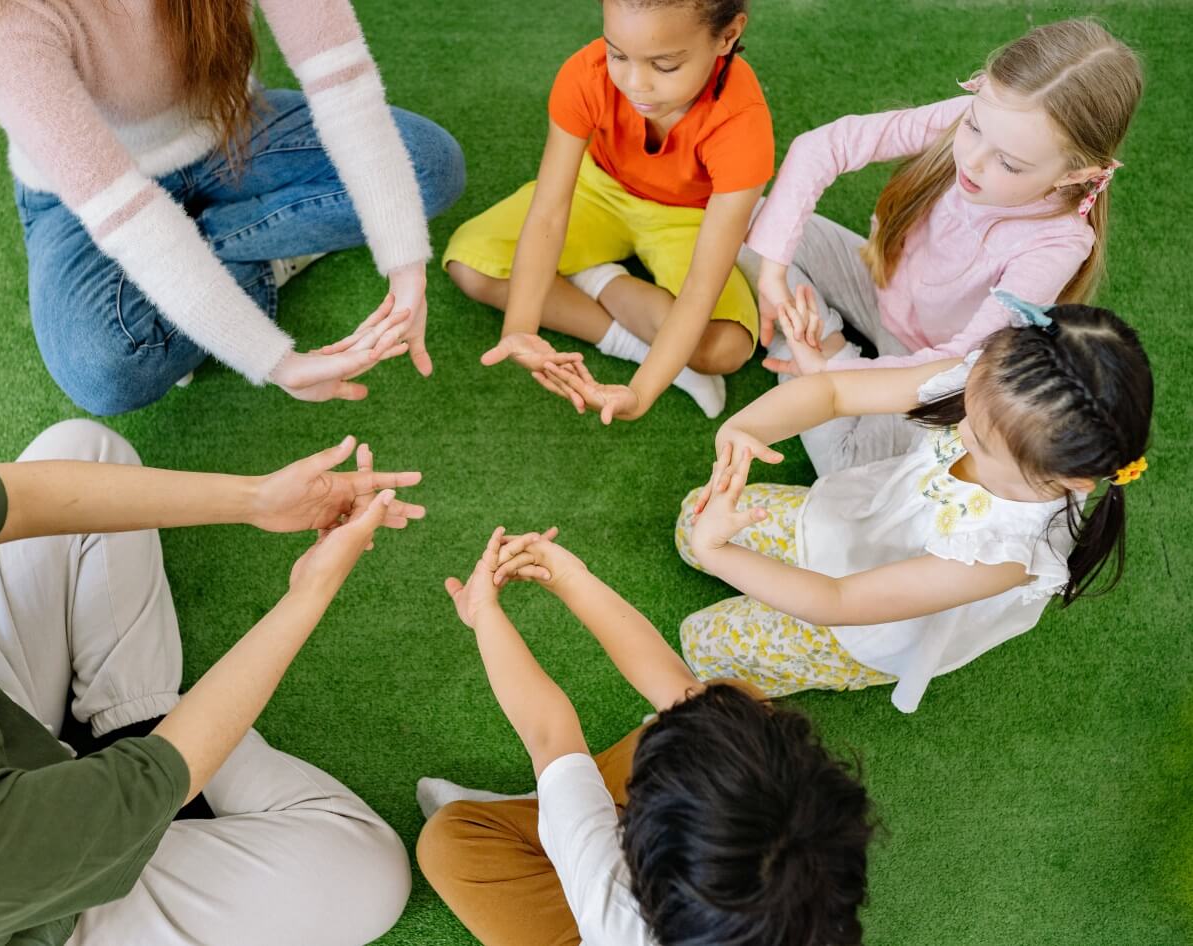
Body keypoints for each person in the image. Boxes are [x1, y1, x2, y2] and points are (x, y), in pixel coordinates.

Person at [0, 418, 425, 945]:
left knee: (83, 448)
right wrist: (306, 594)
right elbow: (154, 775)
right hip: (38, 915)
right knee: (368, 874)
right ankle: (145, 722)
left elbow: (20, 497)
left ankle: (129, 712)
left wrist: (257, 498)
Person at [0, 0, 466, 415]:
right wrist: (275, 362)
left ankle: (201, 282)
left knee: (428, 169)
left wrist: (404, 263)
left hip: (228, 129)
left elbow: (341, 79)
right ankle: (259, 256)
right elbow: (126, 215)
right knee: (103, 370)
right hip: (87, 198)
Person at [675, 294, 1152, 713]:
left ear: (1071, 479)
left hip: (861, 625)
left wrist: (721, 552)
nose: (960, 429)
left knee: (704, 642)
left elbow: (837, 600)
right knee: (691, 520)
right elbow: (836, 392)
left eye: (982, 443)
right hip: (854, 518)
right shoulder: (994, 382)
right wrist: (744, 430)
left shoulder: (1008, 552)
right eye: (968, 404)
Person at [416, 526, 875, 945]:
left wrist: (483, 613)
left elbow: (548, 733)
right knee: (727, 704)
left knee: (448, 842)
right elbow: (680, 695)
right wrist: (572, 578)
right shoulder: (813, 905)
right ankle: (560, 805)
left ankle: (551, 809)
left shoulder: (611, 908)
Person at [739, 18, 1142, 474]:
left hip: (931, 366)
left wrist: (834, 375)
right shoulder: (989, 117)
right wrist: (773, 274)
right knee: (753, 221)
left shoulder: (1059, 244)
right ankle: (820, 340)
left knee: (842, 463)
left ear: (1074, 174)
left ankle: (827, 350)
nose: (971, 159)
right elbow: (824, 146)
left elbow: (961, 361)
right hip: (877, 282)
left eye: (1008, 164)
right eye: (973, 127)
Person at [446, 0, 774, 423]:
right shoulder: (586, 72)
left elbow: (700, 287)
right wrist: (520, 330)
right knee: (471, 266)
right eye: (617, 53)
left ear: (727, 36)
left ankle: (595, 279)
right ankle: (633, 340)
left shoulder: (742, 126)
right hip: (597, 188)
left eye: (665, 65)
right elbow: (549, 211)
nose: (634, 84)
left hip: (689, 216)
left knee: (724, 347)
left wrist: (640, 394)